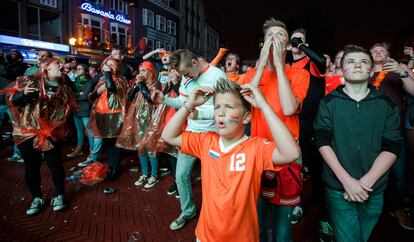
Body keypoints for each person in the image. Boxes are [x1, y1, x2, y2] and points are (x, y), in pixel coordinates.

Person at [161, 80, 301, 241]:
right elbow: (168, 136)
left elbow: (291, 152)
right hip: (206, 236)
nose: (221, 112)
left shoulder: (255, 148)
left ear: (246, 117)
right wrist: (189, 104)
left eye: (229, 107)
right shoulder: (206, 141)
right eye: (217, 107)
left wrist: (264, 106)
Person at [314, 44, 402, 242]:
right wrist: (347, 182)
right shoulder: (329, 102)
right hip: (339, 188)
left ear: (371, 70)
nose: (358, 65)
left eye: (364, 62)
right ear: (342, 69)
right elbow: (322, 141)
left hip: (373, 188)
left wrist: (365, 183)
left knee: (363, 236)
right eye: (351, 62)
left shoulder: (385, 104)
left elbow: (392, 146)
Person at [240, 18, 310, 242]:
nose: (274, 40)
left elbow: (290, 108)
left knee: (282, 232)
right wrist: (262, 64)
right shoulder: (252, 74)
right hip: (259, 153)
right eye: (270, 36)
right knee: (257, 223)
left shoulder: (299, 74)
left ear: (288, 45)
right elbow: (244, 103)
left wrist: (279, 65)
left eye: (280, 36)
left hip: (287, 155)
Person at [152, 49, 228, 230]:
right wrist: (165, 100)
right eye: (183, 75)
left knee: (215, 180)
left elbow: (224, 108)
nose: (186, 77)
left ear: (195, 62)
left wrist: (198, 114)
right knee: (180, 176)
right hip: (191, 135)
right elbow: (183, 102)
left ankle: (218, 215)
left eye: (186, 73)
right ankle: (188, 211)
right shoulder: (186, 78)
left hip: (213, 136)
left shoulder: (218, 76)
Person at [4, 58, 76, 215]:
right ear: (46, 67)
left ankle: (59, 195)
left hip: (51, 132)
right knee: (31, 167)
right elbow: (12, 102)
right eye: (58, 64)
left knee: (55, 164)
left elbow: (68, 111)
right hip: (28, 132)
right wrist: (21, 95)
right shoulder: (32, 82)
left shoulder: (64, 87)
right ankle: (36, 197)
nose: (62, 66)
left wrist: (69, 133)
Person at [289, 28, 334, 240]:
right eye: (294, 40)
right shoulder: (286, 67)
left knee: (316, 171)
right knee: (294, 168)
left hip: (311, 125)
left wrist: (300, 45)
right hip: (290, 123)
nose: (298, 43)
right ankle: (297, 204)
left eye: (302, 40)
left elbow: (322, 61)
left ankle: (324, 215)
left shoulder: (312, 63)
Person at [368, 42, 414, 230]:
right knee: (373, 173)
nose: (378, 51)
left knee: (399, 173)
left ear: (387, 53)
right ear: (370, 54)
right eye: (374, 49)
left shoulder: (399, 68)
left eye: (382, 49)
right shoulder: (366, 70)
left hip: (394, 130)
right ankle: (376, 209)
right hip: (369, 132)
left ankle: (398, 207)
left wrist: (402, 71)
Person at [116, 61, 161, 188]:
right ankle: (145, 173)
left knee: (151, 147)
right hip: (139, 120)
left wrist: (140, 84)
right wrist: (136, 86)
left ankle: (154, 175)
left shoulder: (155, 83)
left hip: (151, 120)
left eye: (144, 71)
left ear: (151, 72)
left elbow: (150, 99)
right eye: (140, 71)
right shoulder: (140, 84)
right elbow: (129, 98)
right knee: (141, 147)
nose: (140, 74)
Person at [87, 57, 128, 181]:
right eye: (107, 64)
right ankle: (111, 166)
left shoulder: (121, 79)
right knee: (107, 141)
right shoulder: (102, 79)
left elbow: (111, 88)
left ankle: (115, 167)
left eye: (112, 65)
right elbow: (92, 96)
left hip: (115, 114)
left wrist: (107, 74)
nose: (109, 67)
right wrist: (97, 91)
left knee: (115, 141)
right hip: (101, 113)